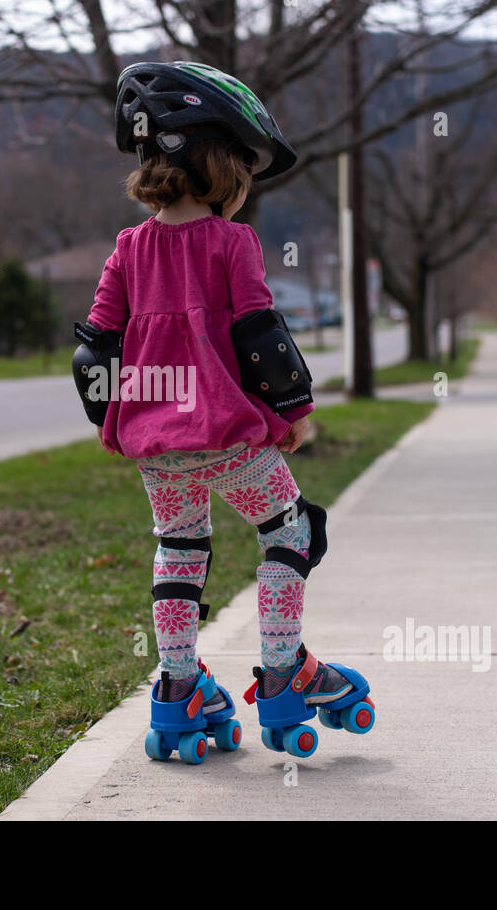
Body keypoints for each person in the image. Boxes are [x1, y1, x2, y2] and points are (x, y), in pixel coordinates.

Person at [71, 61, 374, 763]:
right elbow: (259, 334)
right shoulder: (232, 243)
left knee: (179, 549)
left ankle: (178, 688)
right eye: (241, 169)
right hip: (227, 433)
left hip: (155, 442)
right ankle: (282, 672)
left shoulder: (127, 248)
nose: (243, 186)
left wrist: (110, 419)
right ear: (213, 161)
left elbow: (94, 349)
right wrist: (295, 407)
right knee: (293, 533)